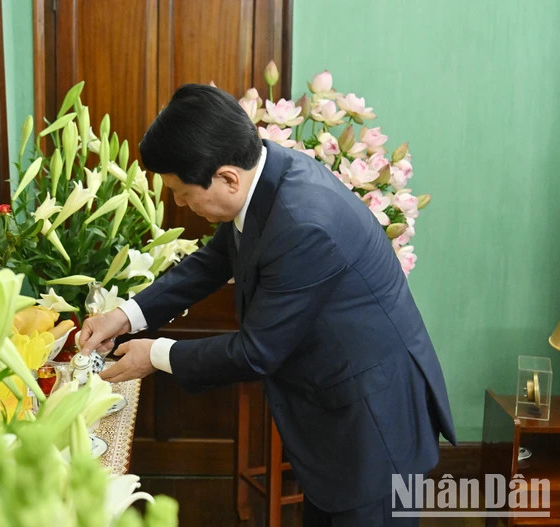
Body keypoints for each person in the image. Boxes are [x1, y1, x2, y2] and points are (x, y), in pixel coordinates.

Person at [79, 84, 456, 526]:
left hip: (373, 423)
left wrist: (156, 354)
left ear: (227, 178)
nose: (179, 203)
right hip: (338, 412)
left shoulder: (303, 223)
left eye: (182, 192)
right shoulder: (268, 174)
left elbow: (256, 352)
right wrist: (125, 316)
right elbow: (212, 262)